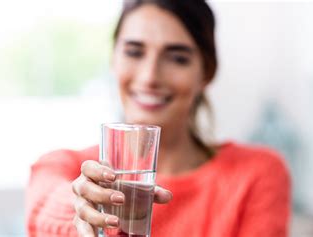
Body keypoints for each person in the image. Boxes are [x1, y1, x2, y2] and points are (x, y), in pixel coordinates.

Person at [25, 1, 291, 236]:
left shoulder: (257, 173)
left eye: (177, 58)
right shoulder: (62, 167)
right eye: (134, 52)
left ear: (206, 73)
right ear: (113, 59)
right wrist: (82, 210)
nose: (150, 76)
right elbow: (45, 208)